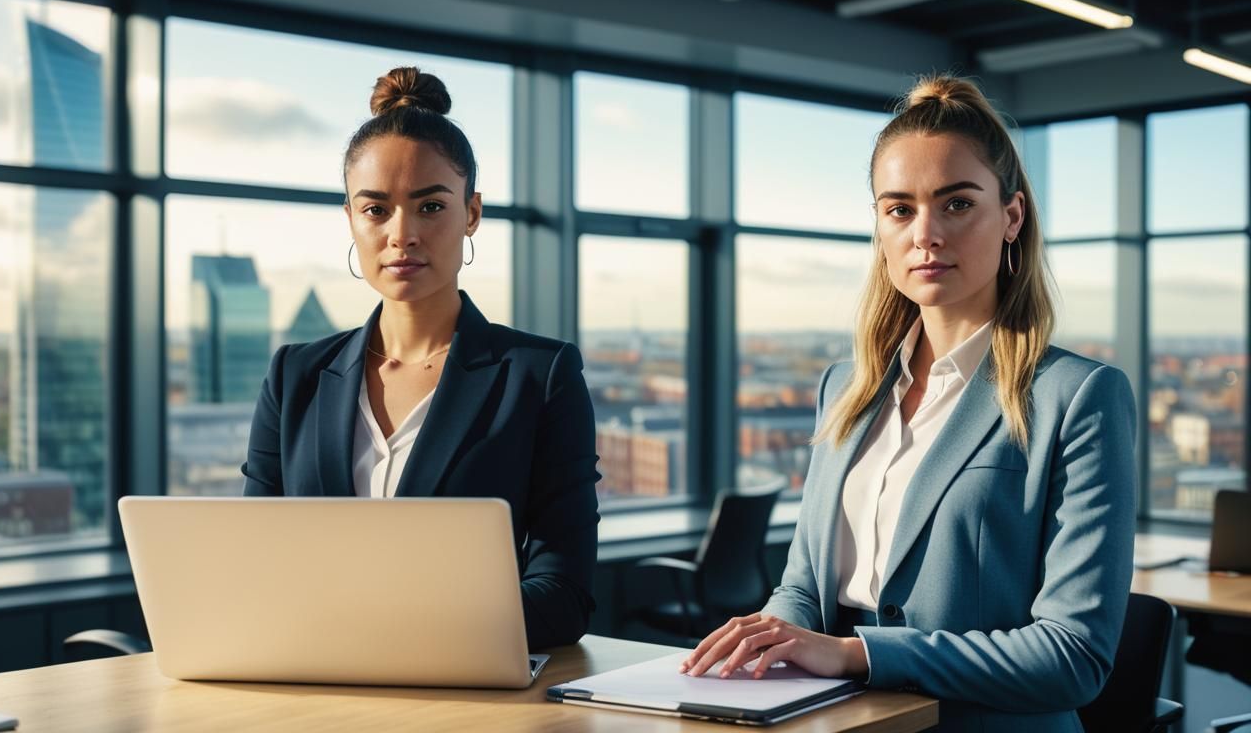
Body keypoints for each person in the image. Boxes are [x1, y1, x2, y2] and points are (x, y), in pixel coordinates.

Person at [681, 74, 1135, 732]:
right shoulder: (844, 388)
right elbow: (804, 585)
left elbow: (1073, 657)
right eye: (899, 209)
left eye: (958, 204)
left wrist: (857, 655)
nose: (926, 234)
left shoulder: (1078, 396)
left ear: (1012, 217)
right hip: (839, 720)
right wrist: (764, 640)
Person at [241, 66, 600, 651]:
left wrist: (388, 626)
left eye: (430, 206)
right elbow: (252, 563)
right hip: (313, 678)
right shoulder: (294, 376)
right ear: (350, 218)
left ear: (472, 213)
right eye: (375, 209)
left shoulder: (540, 376)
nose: (402, 234)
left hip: (457, 686)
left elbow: (564, 597)